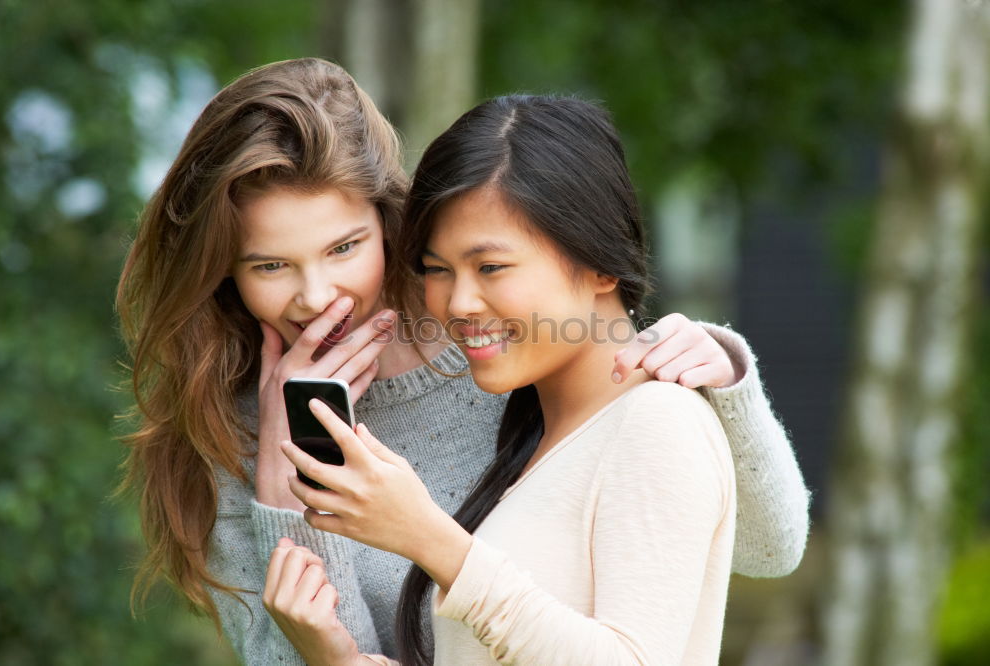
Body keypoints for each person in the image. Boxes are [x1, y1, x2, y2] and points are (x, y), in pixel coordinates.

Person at [115, 59, 808, 665]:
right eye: (270, 265)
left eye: (345, 248)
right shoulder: (231, 430)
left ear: (388, 224)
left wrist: (721, 379)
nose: (316, 296)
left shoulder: (497, 343)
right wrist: (283, 498)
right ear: (223, 273)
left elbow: (758, 548)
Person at [272, 94, 742, 665]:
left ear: (600, 263)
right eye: (437, 270)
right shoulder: (538, 440)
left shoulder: (657, 422)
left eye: (490, 267)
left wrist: (429, 538)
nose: (459, 302)